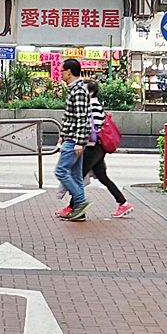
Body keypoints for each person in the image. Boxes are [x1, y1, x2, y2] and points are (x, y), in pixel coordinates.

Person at [80, 80, 131, 219]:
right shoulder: (94, 104)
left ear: (90, 92)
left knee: (78, 176)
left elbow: (92, 130)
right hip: (98, 147)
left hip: (94, 147)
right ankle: (123, 202)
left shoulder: (92, 105)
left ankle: (75, 207)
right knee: (102, 177)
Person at [54, 55, 95, 222]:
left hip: (74, 140)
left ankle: (80, 201)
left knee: (61, 171)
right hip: (71, 138)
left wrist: (78, 141)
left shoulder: (78, 91)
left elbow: (81, 118)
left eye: (62, 71)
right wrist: (62, 136)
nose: (60, 74)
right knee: (76, 176)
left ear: (69, 72)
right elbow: (71, 117)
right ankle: (79, 211)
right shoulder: (76, 89)